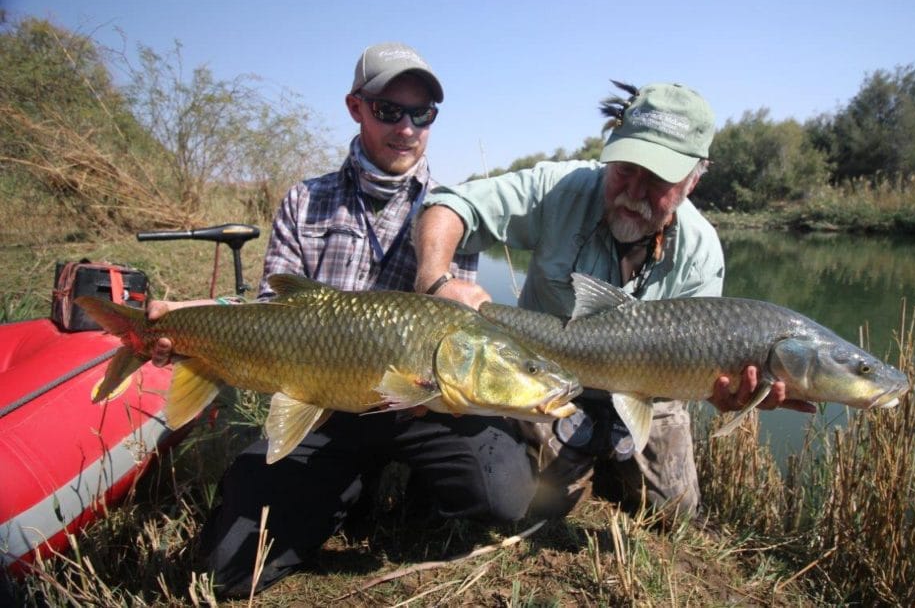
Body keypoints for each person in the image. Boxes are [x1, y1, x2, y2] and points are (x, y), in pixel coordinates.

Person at [148, 43, 537, 597]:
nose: (407, 128)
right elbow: (270, 313)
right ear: (356, 107)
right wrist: (195, 325)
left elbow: (459, 332)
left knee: (506, 497)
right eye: (389, 111)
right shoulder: (306, 201)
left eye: (421, 114)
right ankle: (348, 485)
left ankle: (403, 481)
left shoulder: (454, 212)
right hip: (323, 406)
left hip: (418, 404)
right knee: (225, 571)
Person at [413, 80, 815, 519]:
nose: (634, 191)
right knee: (534, 505)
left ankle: (606, 457)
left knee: (673, 514)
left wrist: (727, 394)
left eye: (658, 179)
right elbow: (449, 205)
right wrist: (435, 279)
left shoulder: (701, 251)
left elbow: (711, 369)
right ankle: (578, 456)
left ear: (693, 180)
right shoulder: (559, 187)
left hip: (650, 394)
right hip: (548, 375)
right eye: (625, 169)